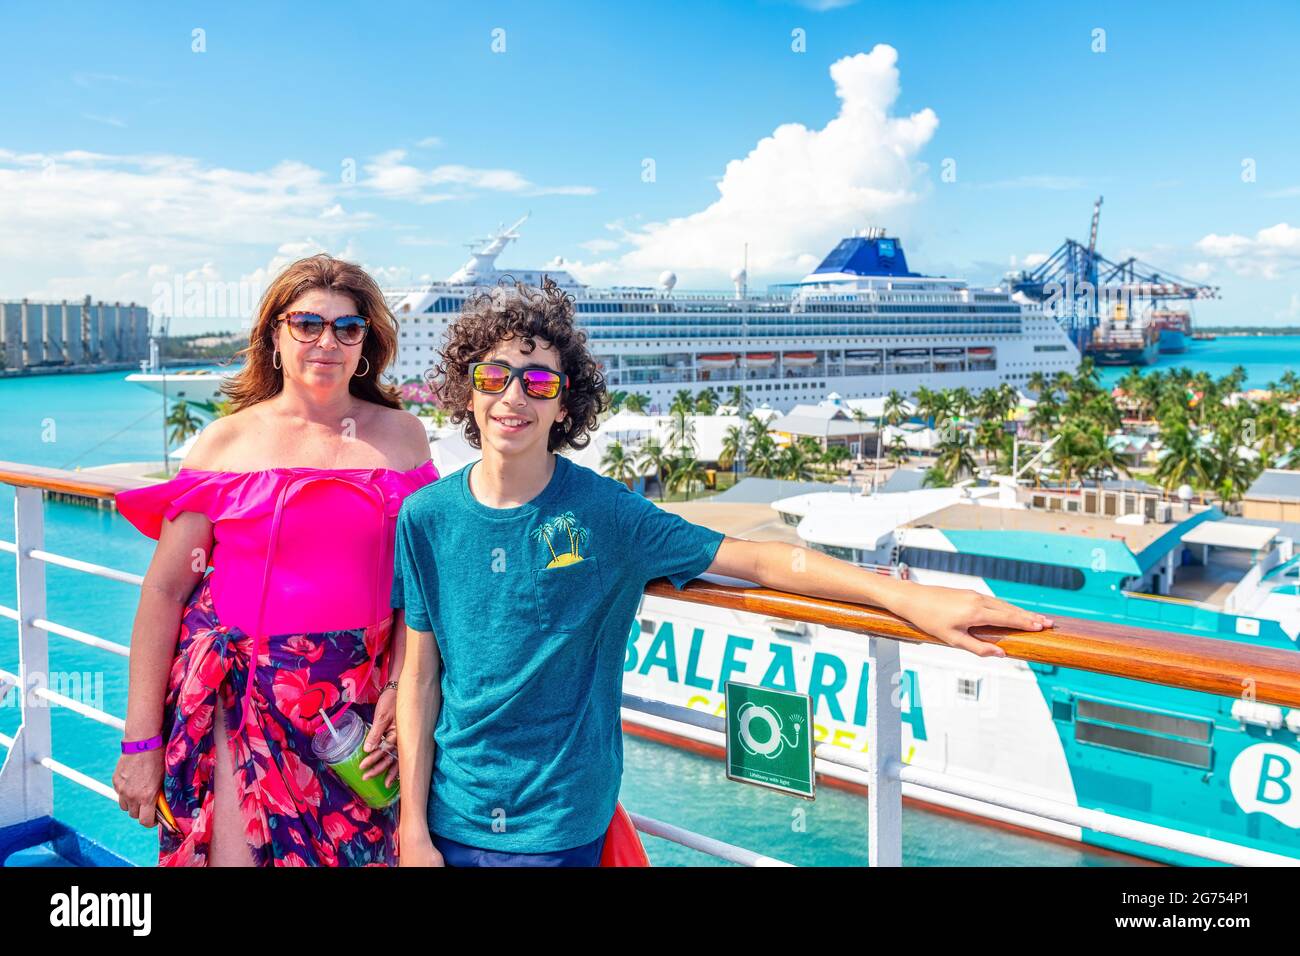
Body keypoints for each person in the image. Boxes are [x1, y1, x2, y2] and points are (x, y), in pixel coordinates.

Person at [392, 277, 1053, 867]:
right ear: (466, 389)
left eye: (538, 382)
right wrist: (413, 829)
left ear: (565, 406)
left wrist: (907, 599)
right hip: (451, 818)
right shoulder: (426, 517)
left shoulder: (608, 516)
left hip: (559, 826)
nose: (513, 396)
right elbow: (421, 677)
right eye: (493, 376)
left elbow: (760, 559)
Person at [114, 254, 437, 866]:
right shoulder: (225, 441)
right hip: (238, 701)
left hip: (359, 709)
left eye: (347, 328)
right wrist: (141, 741)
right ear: (274, 335)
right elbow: (163, 593)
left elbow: (420, 584)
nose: (327, 342)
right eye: (307, 323)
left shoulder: (402, 436)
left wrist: (400, 684)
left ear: (366, 343)